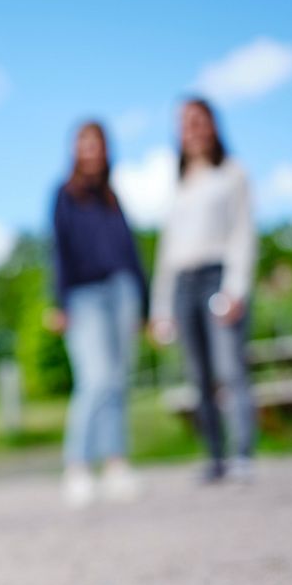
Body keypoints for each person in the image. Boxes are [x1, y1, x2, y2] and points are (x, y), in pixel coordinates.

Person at [150, 98, 256, 482]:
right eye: (184, 123)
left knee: (229, 367)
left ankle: (242, 452)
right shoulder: (179, 184)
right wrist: (160, 308)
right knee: (199, 375)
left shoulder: (232, 173)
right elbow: (167, 251)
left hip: (217, 276)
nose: (191, 128)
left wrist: (235, 288)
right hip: (183, 284)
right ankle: (215, 456)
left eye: (197, 120)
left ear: (212, 124)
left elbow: (243, 233)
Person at [48, 121, 148, 508]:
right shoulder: (64, 196)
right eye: (84, 144)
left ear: (106, 150)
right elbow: (58, 250)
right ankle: (76, 466)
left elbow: (131, 251)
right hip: (84, 295)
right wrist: (60, 303)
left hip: (122, 292)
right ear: (75, 150)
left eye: (97, 144)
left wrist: (145, 302)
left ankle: (116, 464)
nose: (91, 151)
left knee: (119, 379)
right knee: (95, 379)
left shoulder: (112, 197)